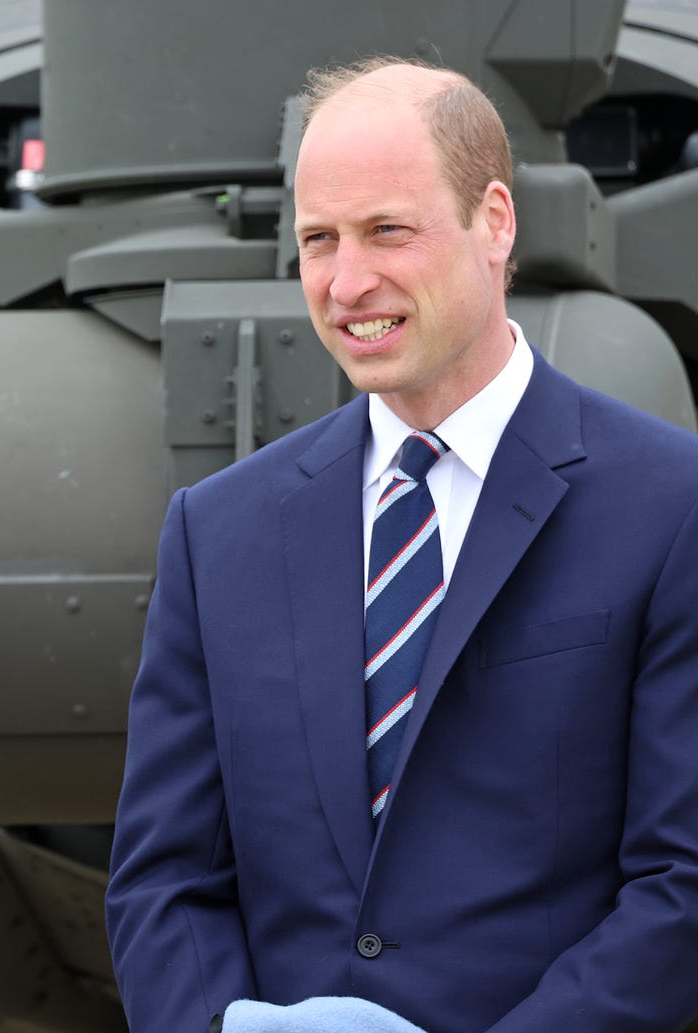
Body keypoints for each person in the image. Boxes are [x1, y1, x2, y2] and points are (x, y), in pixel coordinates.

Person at [106, 58, 698, 1033]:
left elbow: (681, 885)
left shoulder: (669, 505)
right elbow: (164, 882)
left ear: (495, 222)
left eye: (387, 230)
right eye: (317, 240)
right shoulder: (216, 534)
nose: (347, 282)